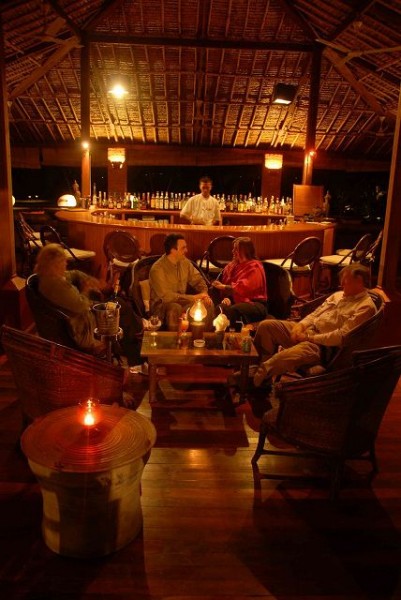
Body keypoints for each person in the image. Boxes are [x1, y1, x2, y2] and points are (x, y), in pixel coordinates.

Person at [252, 264, 376, 387]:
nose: (341, 284)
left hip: (322, 347)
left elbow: (341, 336)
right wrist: (301, 325)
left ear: (359, 282)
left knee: (280, 359)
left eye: (346, 281)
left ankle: (253, 381)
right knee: (266, 326)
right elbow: (315, 314)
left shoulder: (365, 307)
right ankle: (259, 375)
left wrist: (309, 338)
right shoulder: (338, 295)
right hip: (308, 331)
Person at [34, 243, 143, 366]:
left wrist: (89, 280)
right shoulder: (56, 286)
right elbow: (82, 305)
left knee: (118, 305)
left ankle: (138, 337)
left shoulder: (49, 276)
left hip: (81, 317)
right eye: (63, 261)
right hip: (82, 327)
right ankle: (137, 353)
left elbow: (74, 273)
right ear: (54, 264)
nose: (66, 264)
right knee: (119, 308)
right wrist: (86, 288)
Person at [149, 233, 214, 330]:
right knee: (175, 308)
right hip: (162, 306)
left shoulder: (185, 262)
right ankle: (175, 339)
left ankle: (202, 337)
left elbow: (198, 280)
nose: (186, 250)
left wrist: (204, 294)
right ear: (173, 250)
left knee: (208, 304)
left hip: (183, 302)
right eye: (183, 248)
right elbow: (166, 297)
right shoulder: (157, 269)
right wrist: (193, 298)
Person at [211, 237, 268, 328]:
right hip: (236, 301)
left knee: (233, 310)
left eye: (236, 249)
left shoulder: (255, 266)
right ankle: (217, 333)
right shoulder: (232, 266)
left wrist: (223, 287)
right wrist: (228, 298)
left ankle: (233, 334)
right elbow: (229, 287)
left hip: (255, 304)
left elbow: (244, 287)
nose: (233, 251)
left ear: (245, 251)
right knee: (221, 308)